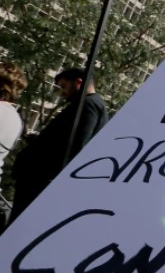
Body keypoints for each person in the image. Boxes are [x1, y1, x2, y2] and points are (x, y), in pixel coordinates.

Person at [9, 67, 109, 223]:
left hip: (40, 182)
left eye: (64, 86)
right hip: (39, 181)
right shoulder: (87, 104)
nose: (62, 92)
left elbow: (77, 146)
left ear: (78, 82)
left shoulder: (89, 105)